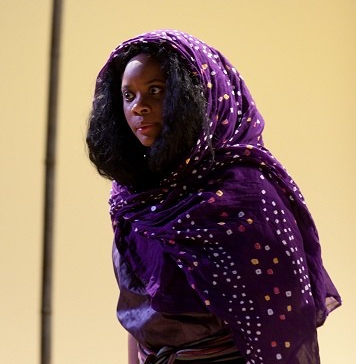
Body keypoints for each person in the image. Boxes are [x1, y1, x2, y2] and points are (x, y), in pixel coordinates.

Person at [86, 29, 341, 364]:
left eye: (156, 91)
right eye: (128, 95)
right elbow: (138, 310)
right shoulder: (132, 196)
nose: (140, 107)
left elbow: (284, 321)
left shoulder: (247, 194)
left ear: (195, 96)